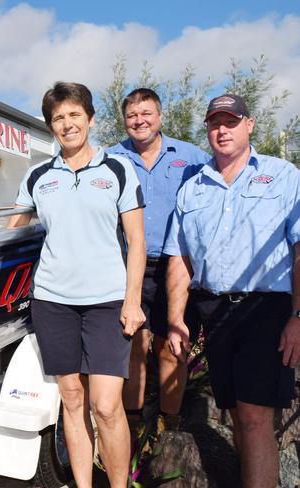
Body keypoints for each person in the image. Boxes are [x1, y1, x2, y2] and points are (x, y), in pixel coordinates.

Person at [9, 81, 146, 488]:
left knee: (105, 406)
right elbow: (9, 230)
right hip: (53, 301)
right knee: (72, 399)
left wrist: (132, 300)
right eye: (58, 118)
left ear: (89, 117)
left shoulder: (118, 169)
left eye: (73, 115)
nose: (67, 124)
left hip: (108, 301)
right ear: (50, 126)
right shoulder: (37, 176)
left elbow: (137, 240)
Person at [164, 94, 300, 488]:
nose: (222, 130)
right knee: (237, 414)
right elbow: (179, 260)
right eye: (214, 123)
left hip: (266, 309)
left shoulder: (284, 176)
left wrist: (297, 316)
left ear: (249, 125)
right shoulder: (193, 188)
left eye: (231, 121)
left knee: (256, 416)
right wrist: (175, 320)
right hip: (214, 312)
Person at [108, 88, 210, 434]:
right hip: (128, 266)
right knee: (134, 343)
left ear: (160, 117)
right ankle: (134, 423)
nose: (140, 121)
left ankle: (171, 421)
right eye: (133, 115)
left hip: (177, 266)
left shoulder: (192, 156)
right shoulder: (111, 158)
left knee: (172, 346)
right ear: (125, 121)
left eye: (146, 113)